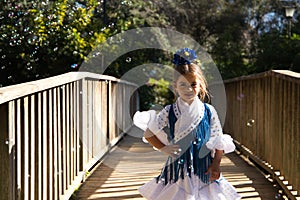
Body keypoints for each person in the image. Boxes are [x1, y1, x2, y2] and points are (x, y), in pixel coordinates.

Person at [134, 48, 241, 200]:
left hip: (204, 167)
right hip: (178, 169)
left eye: (193, 84)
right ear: (175, 86)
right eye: (183, 84)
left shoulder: (209, 111)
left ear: (201, 85)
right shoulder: (169, 111)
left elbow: (219, 141)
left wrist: (216, 164)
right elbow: (149, 134)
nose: (189, 89)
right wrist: (165, 148)